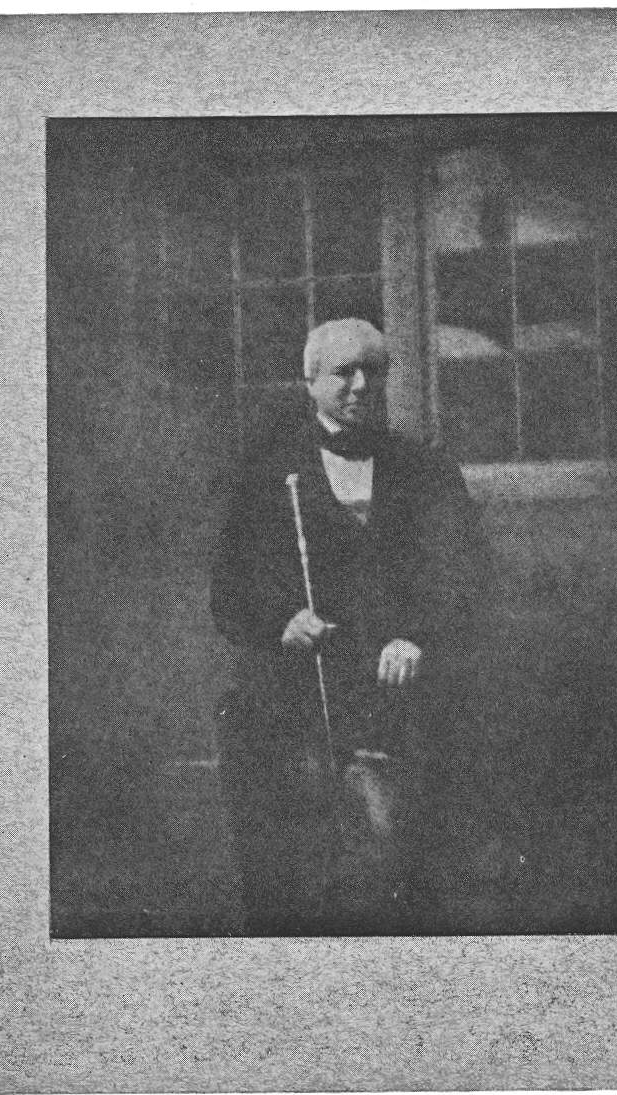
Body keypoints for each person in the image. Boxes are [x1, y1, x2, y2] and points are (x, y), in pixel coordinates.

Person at [211, 318, 487, 935]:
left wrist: (418, 636)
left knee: (403, 866)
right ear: (310, 381)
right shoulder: (267, 473)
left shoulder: (424, 468)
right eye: (344, 372)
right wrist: (281, 621)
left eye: (373, 371)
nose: (362, 385)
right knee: (300, 867)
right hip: (298, 696)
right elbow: (229, 590)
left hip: (399, 695)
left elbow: (467, 574)